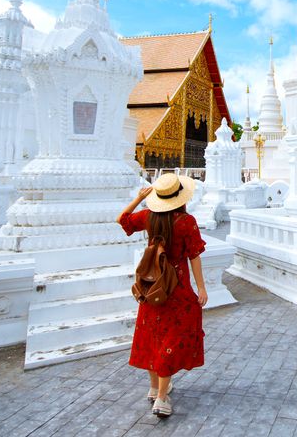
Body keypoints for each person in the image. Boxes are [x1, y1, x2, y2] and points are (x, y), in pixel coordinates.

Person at [118, 173, 208, 418]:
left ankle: (155, 386)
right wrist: (201, 288)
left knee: (153, 335)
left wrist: (139, 199)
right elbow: (194, 256)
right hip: (176, 287)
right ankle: (161, 398)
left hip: (153, 285)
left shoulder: (149, 217)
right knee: (172, 338)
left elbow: (123, 220)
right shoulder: (186, 222)